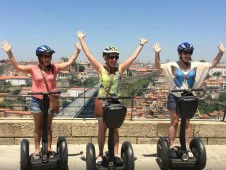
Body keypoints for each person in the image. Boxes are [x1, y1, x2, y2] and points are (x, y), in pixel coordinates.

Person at [0, 40, 81, 159]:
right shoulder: (33, 69)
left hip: (50, 101)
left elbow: (69, 63)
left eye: (49, 56)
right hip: (36, 101)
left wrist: (78, 51)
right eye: (45, 56)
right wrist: (9, 53)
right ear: (40, 57)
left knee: (48, 126)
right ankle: (37, 149)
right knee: (38, 126)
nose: (48, 58)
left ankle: (48, 148)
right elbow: (17, 67)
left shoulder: (54, 68)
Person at [76, 31, 148, 164]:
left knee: (115, 129)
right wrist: (82, 39)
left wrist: (141, 45)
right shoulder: (100, 69)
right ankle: (100, 154)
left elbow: (132, 58)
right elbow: (88, 54)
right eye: (111, 57)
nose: (114, 59)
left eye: (116, 57)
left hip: (115, 102)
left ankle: (116, 154)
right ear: (106, 58)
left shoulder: (120, 69)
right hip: (102, 102)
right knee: (102, 129)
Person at [152, 41, 225, 158]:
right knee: (175, 122)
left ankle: (185, 146)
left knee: (186, 123)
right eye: (185, 52)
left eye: (190, 52)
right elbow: (158, 66)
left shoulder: (195, 65)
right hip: (174, 97)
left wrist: (221, 53)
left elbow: (212, 65)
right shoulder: (173, 65)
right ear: (180, 53)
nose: (187, 54)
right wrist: (157, 54)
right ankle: (171, 146)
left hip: (188, 98)